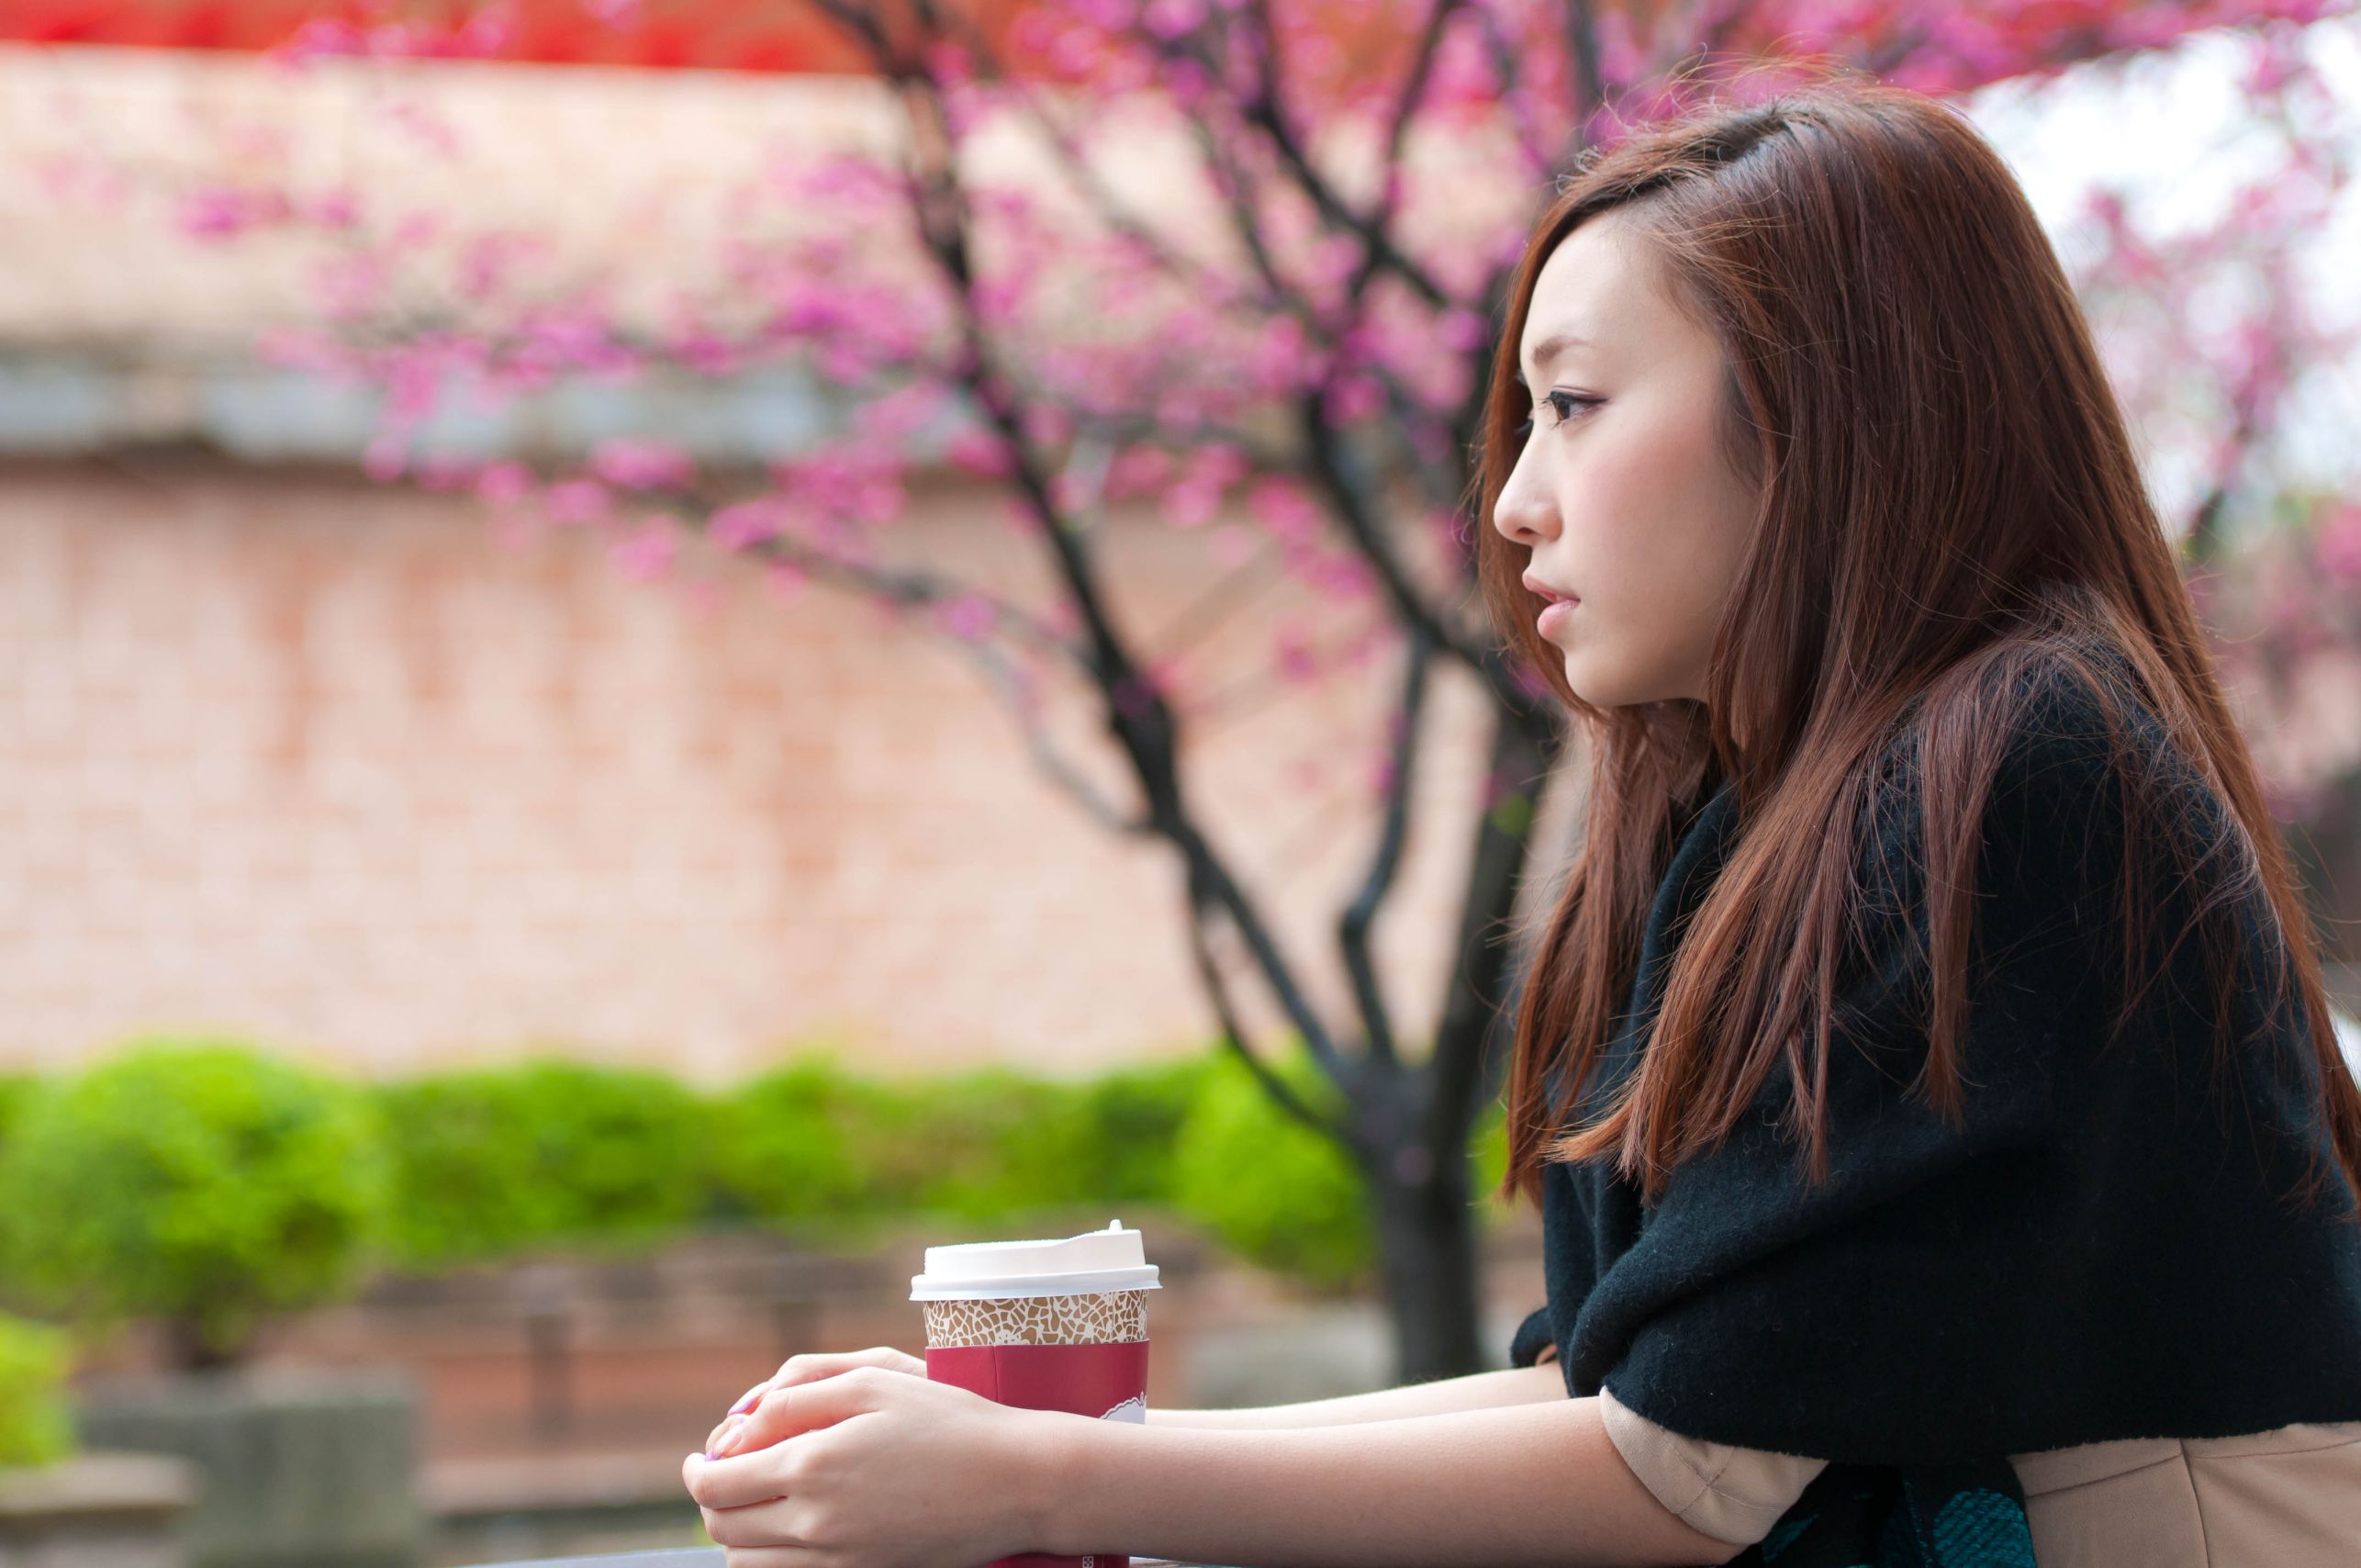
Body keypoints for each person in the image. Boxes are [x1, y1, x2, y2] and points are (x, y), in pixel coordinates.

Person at [679, 75, 2361, 1568]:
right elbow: (1616, 1394)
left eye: (1575, 405)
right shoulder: (1768, 803)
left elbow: (1677, 1475)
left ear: (1826, 413)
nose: (1511, 502)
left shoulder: (2013, 759)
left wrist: (1041, 1483)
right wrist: (1034, 1455)